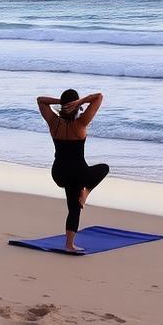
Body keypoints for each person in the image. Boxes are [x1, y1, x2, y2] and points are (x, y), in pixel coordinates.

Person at [37, 89, 108, 252]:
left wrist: (62, 102)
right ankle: (87, 191)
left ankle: (69, 244)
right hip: (78, 173)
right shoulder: (80, 124)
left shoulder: (53, 123)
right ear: (77, 107)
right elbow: (98, 97)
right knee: (104, 168)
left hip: (59, 173)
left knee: (73, 205)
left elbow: (40, 100)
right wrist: (80, 101)